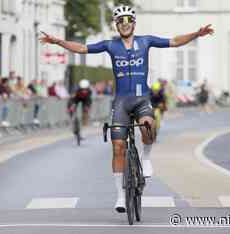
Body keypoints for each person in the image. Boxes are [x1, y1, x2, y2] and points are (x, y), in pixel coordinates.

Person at [40, 5, 214, 213]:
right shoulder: (110, 45)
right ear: (116, 25)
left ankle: (146, 157)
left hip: (142, 99)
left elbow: (174, 42)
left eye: (128, 20)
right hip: (121, 102)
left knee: (149, 126)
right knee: (118, 147)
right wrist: (58, 41)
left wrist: (196, 33)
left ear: (133, 23)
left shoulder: (146, 41)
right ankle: (121, 196)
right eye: (120, 22)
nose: (124, 24)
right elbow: (82, 48)